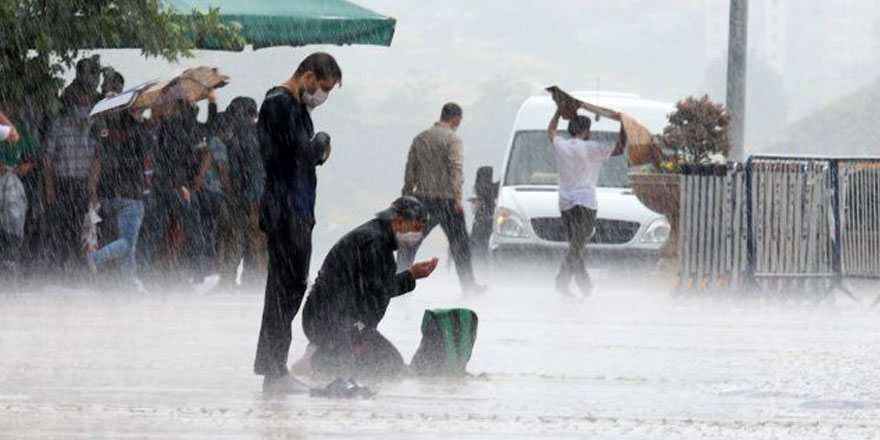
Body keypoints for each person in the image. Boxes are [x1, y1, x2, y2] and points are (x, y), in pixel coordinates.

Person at [254, 52, 341, 393]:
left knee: (292, 286)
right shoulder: (279, 103)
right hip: (285, 208)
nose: (323, 95)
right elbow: (298, 154)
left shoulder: (297, 108)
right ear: (308, 77)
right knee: (283, 288)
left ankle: (275, 367)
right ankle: (273, 370)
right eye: (323, 87)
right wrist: (322, 143)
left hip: (298, 209)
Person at [302, 196, 439, 378]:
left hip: (332, 318)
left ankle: (326, 349)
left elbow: (375, 288)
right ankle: (318, 358)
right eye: (416, 228)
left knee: (390, 364)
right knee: (390, 367)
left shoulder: (379, 238)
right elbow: (377, 290)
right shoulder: (374, 243)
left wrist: (411, 276)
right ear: (399, 223)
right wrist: (411, 276)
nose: (418, 235)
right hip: (330, 320)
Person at [399, 103, 486, 294]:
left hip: (421, 200)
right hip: (447, 200)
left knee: (409, 244)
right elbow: (455, 168)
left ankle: (398, 281)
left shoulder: (421, 138)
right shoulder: (453, 139)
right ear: (455, 118)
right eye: (459, 120)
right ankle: (468, 285)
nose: (459, 124)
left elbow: (410, 170)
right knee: (460, 244)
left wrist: (406, 197)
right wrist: (457, 198)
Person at [138, 97, 218, 292]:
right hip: (183, 188)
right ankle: (199, 275)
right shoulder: (194, 130)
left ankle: (136, 272)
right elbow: (211, 129)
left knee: (154, 231)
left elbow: (162, 157)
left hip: (163, 185)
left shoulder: (166, 127)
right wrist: (212, 102)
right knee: (195, 231)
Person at [546, 101, 623, 296]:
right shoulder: (591, 148)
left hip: (565, 203)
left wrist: (558, 112)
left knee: (575, 245)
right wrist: (624, 127)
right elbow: (619, 150)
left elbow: (550, 131)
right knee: (578, 246)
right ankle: (562, 280)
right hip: (586, 203)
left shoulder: (561, 145)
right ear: (586, 131)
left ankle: (584, 285)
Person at [86, 105, 152, 291]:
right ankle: (96, 259)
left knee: (126, 246)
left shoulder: (106, 131)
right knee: (128, 242)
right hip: (131, 194)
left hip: (108, 195)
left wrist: (93, 191)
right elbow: (148, 152)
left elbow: (97, 160)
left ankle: (130, 283)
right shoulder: (140, 131)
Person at [43, 85, 98, 274]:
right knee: (61, 226)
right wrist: (50, 187)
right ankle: (61, 266)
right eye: (82, 96)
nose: (85, 101)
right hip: (63, 182)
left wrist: (92, 188)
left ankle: (76, 266)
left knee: (81, 227)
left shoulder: (94, 125)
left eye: (87, 97)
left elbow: (97, 159)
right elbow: (47, 157)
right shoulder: (59, 123)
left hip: (82, 183)